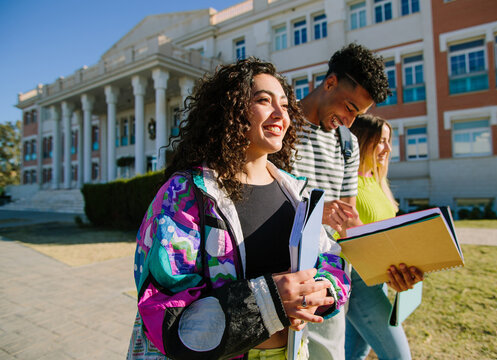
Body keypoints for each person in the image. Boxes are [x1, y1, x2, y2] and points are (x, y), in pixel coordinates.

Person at [126, 58, 351, 360]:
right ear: (230, 111)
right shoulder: (185, 195)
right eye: (263, 100)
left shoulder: (296, 191)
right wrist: (268, 301)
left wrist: (320, 290)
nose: (280, 115)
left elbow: (330, 260)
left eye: (285, 105)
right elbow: (166, 310)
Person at [290, 43, 420, 360]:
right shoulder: (281, 124)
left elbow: (348, 223)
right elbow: (254, 200)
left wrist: (391, 263)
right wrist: (315, 213)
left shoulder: (348, 143)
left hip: (330, 280)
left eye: (358, 114)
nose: (349, 121)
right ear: (330, 83)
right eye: (349, 107)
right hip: (282, 277)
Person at [346, 114, 424, 359]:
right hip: (359, 281)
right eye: (381, 141)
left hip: (381, 277)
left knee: (355, 353)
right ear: (361, 141)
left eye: (389, 141)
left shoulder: (378, 181)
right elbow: (343, 236)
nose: (388, 148)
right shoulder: (346, 184)